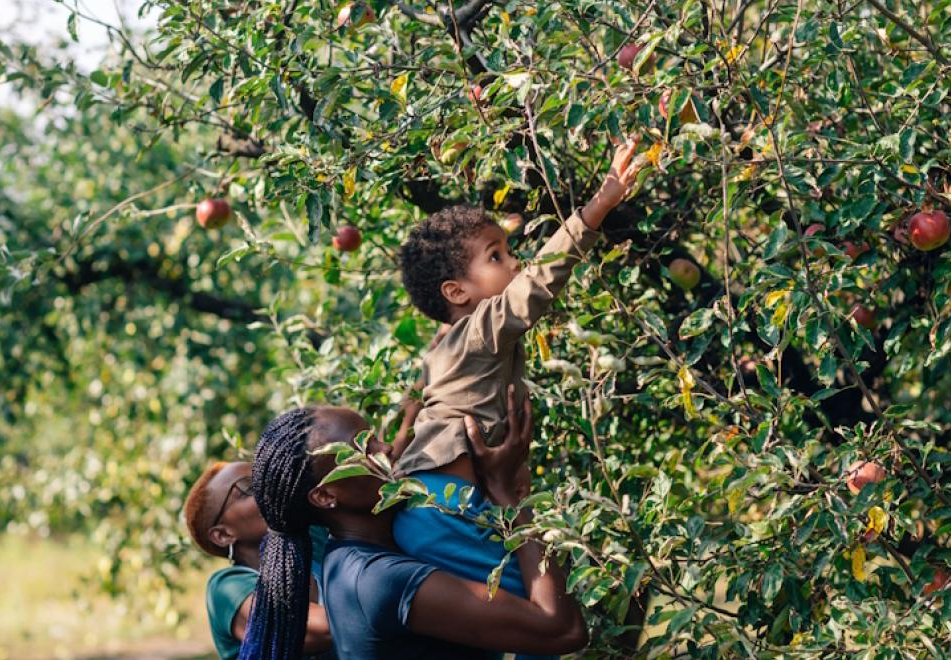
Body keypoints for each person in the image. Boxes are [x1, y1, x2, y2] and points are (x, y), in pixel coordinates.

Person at [393, 137, 646, 593]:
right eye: (496, 256)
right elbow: (536, 286)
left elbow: (412, 408)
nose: (514, 263)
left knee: (513, 609)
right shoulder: (480, 328)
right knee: (549, 599)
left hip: (429, 508)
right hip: (450, 507)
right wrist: (598, 207)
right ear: (456, 292)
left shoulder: (444, 347)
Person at [238, 389, 587, 660]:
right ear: (326, 496)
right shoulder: (378, 579)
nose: (387, 447)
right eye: (366, 448)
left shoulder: (354, 556)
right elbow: (561, 629)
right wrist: (504, 492)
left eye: (374, 436)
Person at [184, 461, 333, 658]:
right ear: (223, 535)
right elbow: (317, 630)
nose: (269, 486)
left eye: (265, 476)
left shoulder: (312, 538)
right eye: (250, 487)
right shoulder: (227, 588)